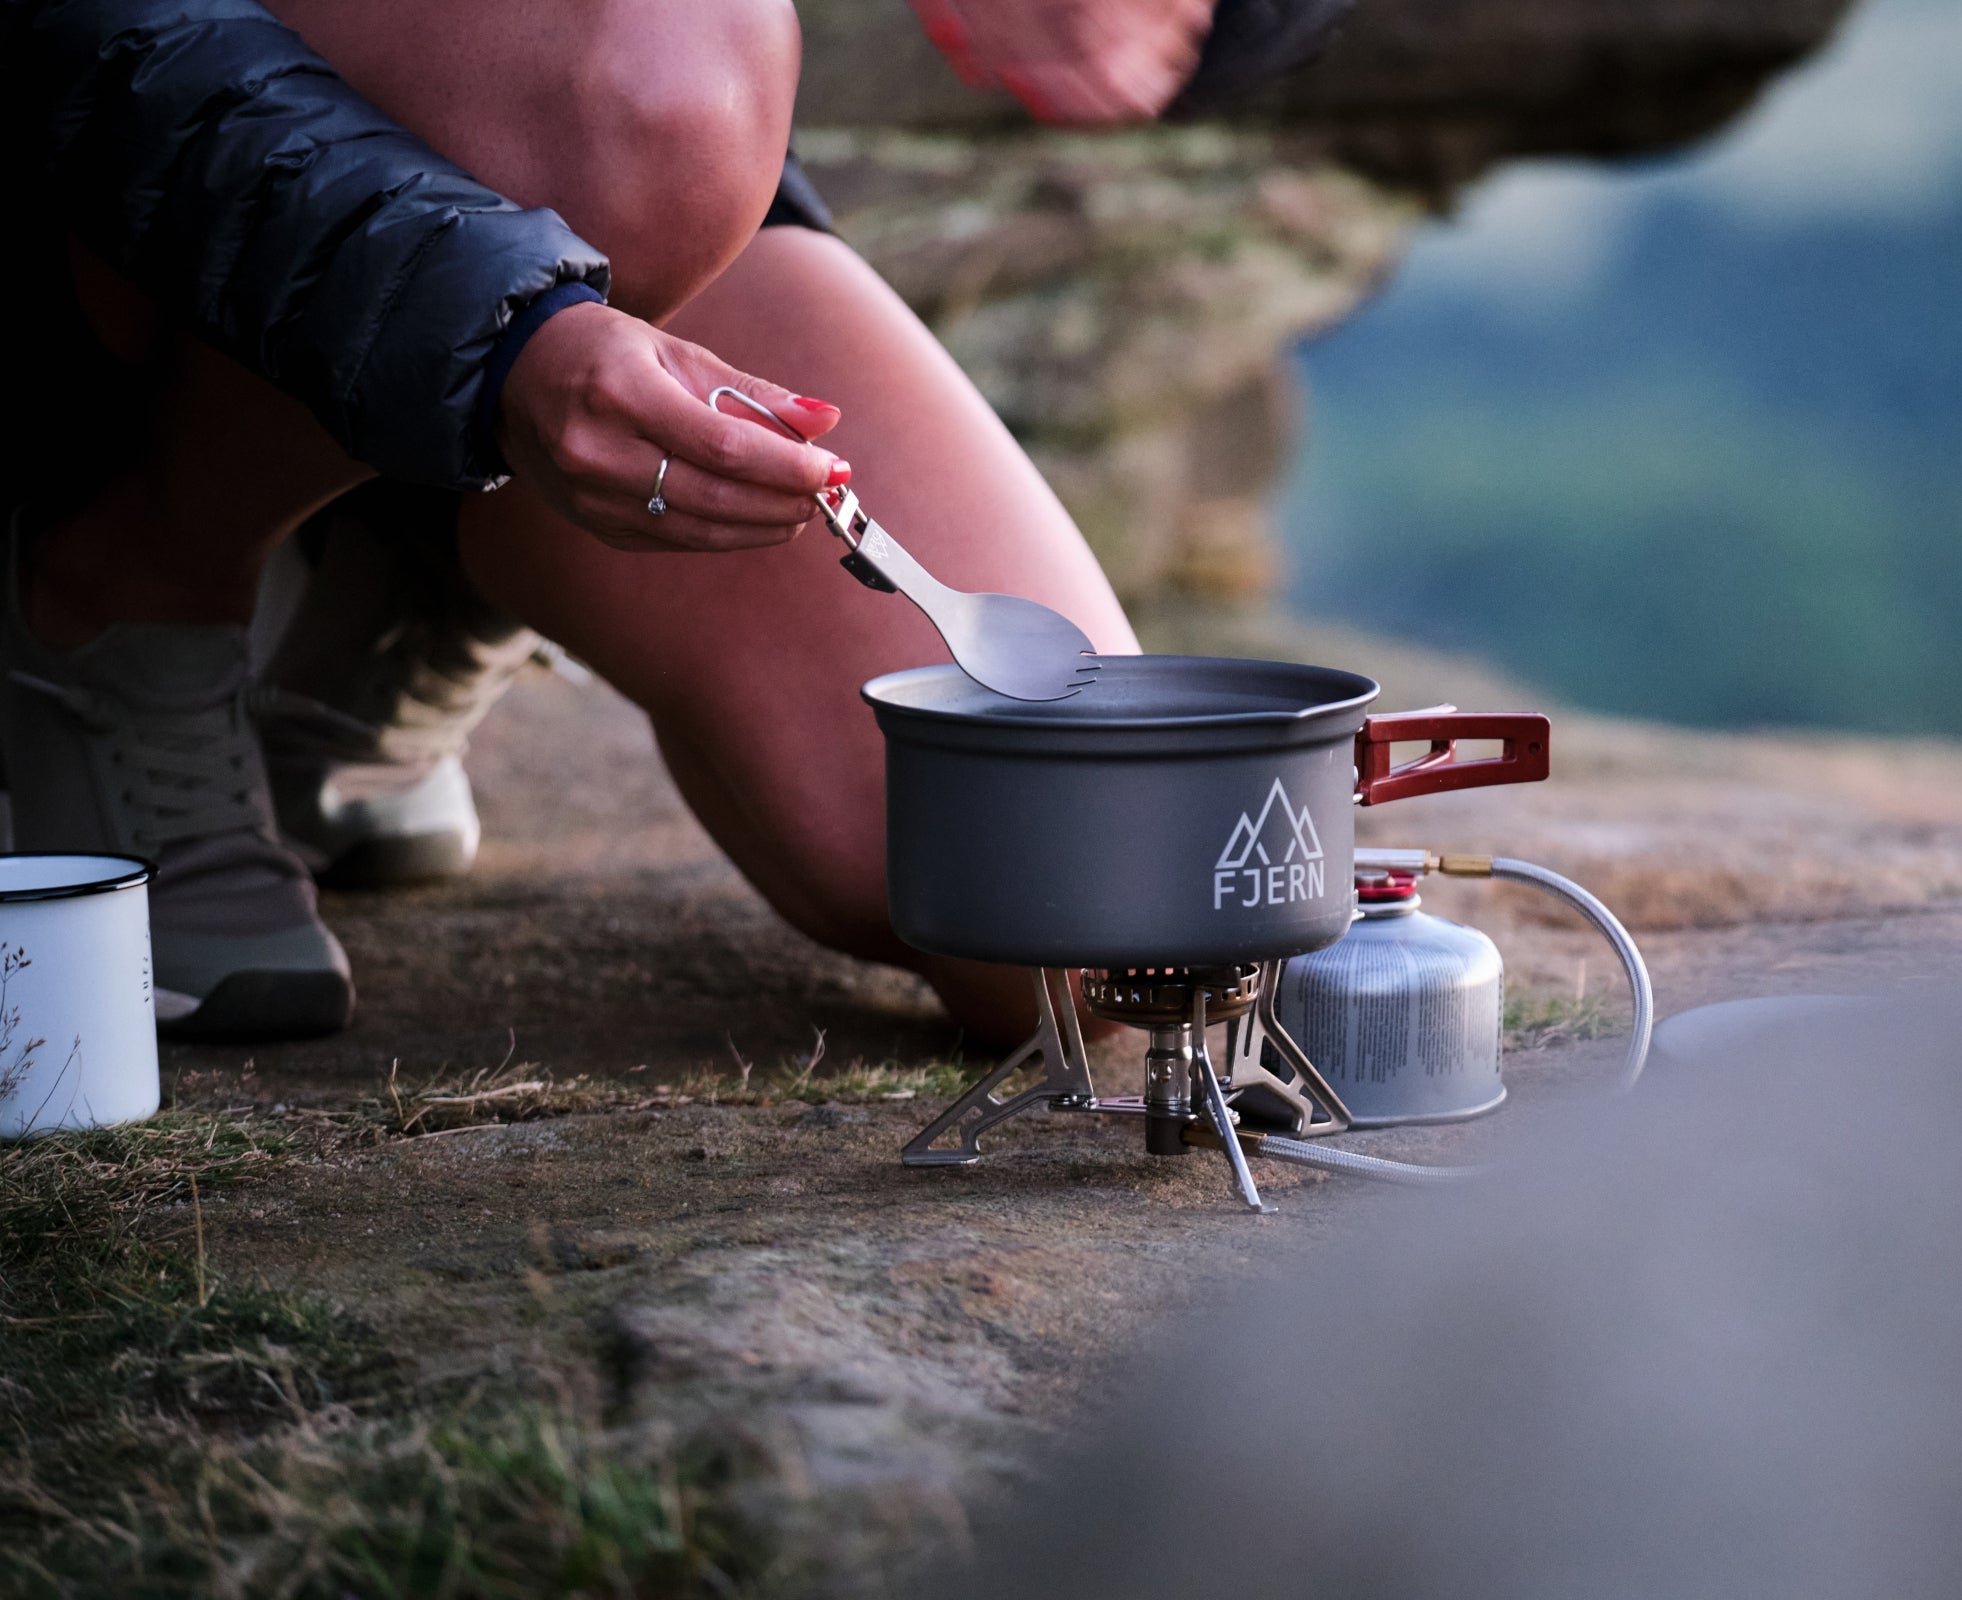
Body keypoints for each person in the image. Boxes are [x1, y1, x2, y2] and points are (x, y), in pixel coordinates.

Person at [0, 0, 1352, 1042]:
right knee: (654, 99)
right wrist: (503, 333)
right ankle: (128, 595)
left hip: (510, 179)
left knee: (1072, 910)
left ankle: (395, 570)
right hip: (117, 193)